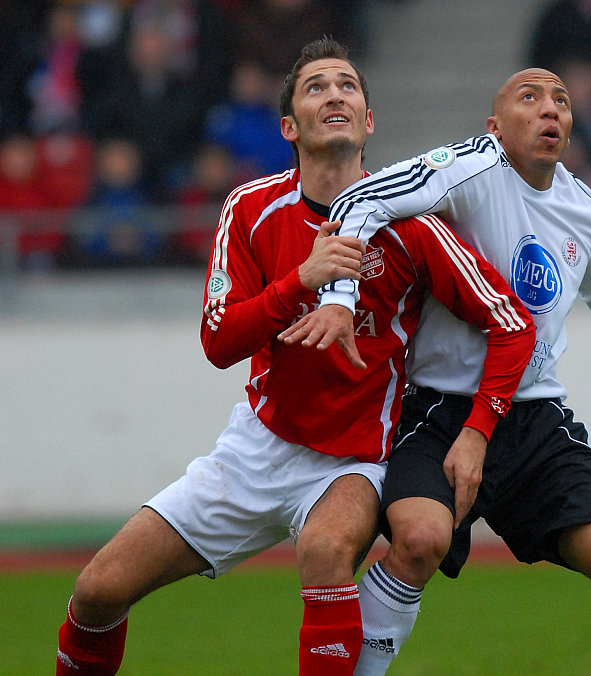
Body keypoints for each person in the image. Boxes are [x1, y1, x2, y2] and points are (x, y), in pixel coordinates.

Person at [54, 38, 534, 675]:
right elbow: (220, 342)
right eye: (316, 86)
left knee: (328, 550)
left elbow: (513, 324)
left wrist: (476, 430)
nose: (334, 93)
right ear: (289, 126)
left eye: (347, 86)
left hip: (355, 460)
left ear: (367, 121)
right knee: (96, 591)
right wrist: (300, 281)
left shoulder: (413, 224)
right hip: (257, 446)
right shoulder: (251, 210)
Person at [279, 67, 591, 674]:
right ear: (494, 126)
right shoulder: (468, 168)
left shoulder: (582, 207)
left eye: (560, 100)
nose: (549, 110)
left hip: (533, 420)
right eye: (529, 99)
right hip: (441, 411)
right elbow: (358, 199)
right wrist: (340, 300)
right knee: (418, 541)